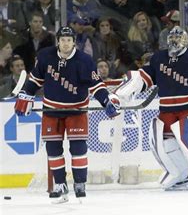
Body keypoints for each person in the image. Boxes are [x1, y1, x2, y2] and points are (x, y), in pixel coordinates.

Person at [13, 26, 121, 202]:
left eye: (68, 40)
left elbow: (96, 86)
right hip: (51, 110)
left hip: (76, 110)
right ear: (58, 41)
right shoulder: (45, 56)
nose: (65, 43)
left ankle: (79, 183)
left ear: (73, 42)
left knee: (78, 148)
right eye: (62, 40)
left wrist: (106, 101)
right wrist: (26, 95)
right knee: (53, 149)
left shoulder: (84, 60)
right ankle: (60, 184)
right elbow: (35, 79)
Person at [115, 26, 188, 190]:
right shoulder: (158, 58)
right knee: (161, 143)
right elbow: (143, 77)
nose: (175, 41)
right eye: (172, 38)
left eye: (178, 38)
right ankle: (180, 176)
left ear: (185, 40)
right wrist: (122, 93)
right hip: (166, 110)